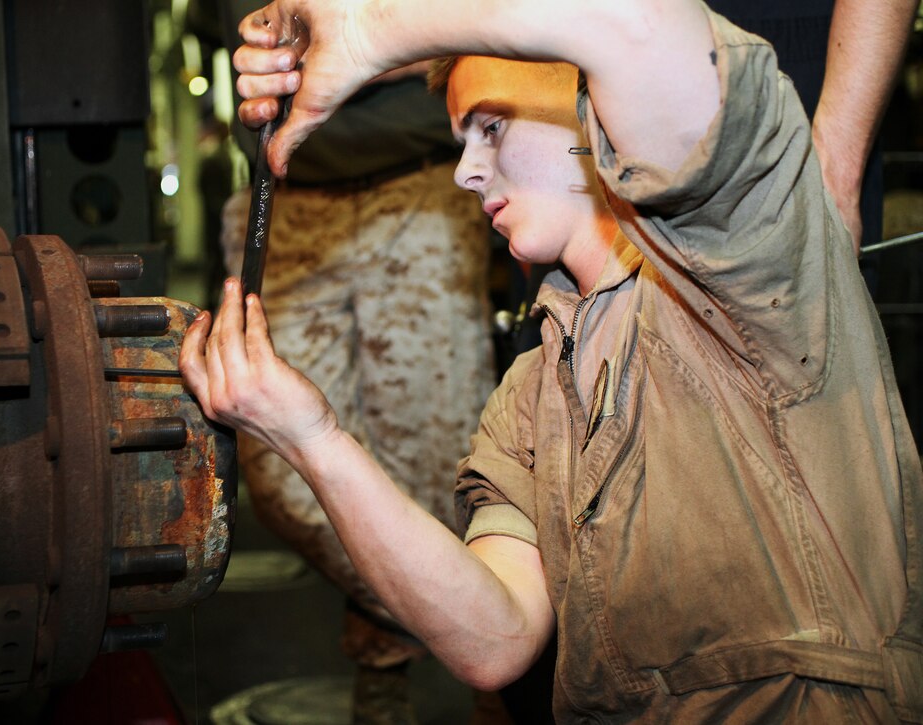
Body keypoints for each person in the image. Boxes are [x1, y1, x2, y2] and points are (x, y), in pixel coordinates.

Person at [181, 0, 923, 721]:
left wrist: (369, 28)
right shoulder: (533, 389)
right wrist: (315, 438)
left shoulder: (745, 264)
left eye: (492, 126)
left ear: (590, 104)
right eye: (463, 138)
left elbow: (632, 22)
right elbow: (494, 638)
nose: (465, 173)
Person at [197, 0, 496, 720]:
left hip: (421, 182)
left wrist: (376, 39)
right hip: (292, 187)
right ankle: (430, 617)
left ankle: (475, 679)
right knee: (279, 472)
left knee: (443, 475)